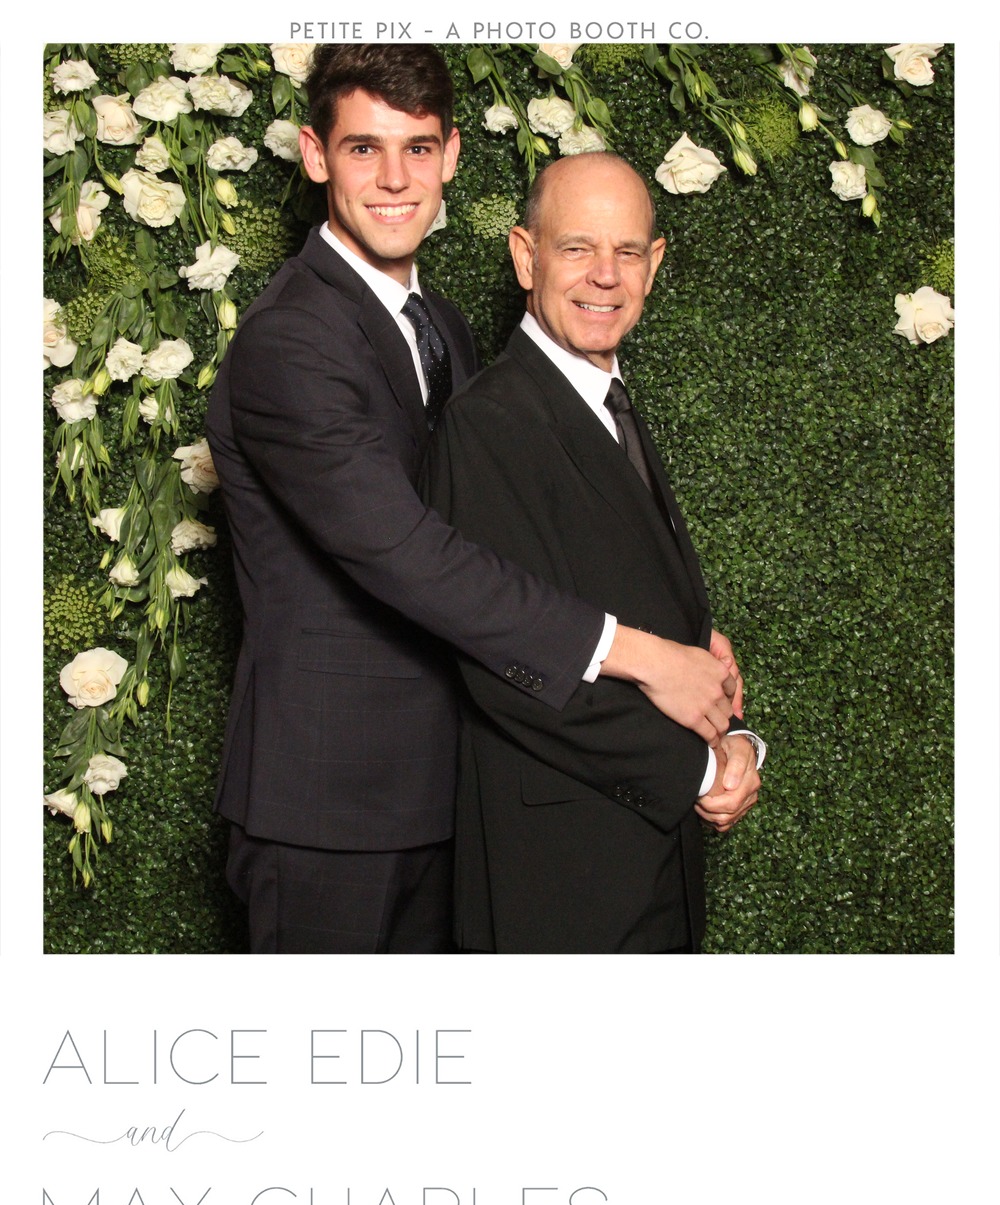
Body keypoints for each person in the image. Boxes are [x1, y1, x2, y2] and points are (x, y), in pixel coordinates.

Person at [207, 46, 739, 954]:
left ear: (451, 156)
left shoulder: (441, 326)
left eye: (416, 148)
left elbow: (504, 529)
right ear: (315, 154)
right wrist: (642, 654)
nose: (394, 179)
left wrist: (688, 640)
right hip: (332, 809)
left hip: (454, 796)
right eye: (364, 148)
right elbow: (410, 554)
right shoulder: (290, 339)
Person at [421, 152, 765, 953]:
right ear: (525, 256)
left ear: (655, 264)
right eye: (577, 247)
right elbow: (504, 665)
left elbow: (648, 616)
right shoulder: (489, 423)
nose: (605, 275)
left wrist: (732, 737)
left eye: (628, 251)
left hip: (646, 867)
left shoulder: (606, 402)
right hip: (560, 883)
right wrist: (699, 770)